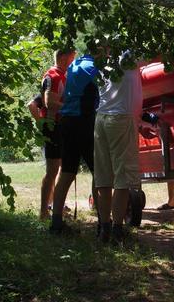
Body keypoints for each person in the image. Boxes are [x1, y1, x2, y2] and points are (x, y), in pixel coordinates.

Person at [95, 50, 146, 243]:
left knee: (104, 177)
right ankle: (117, 230)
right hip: (121, 119)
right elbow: (160, 55)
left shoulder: (102, 61)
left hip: (100, 118)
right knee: (122, 178)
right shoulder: (126, 56)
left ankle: (104, 229)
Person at [49, 52, 99, 234]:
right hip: (84, 122)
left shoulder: (74, 66)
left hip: (67, 122)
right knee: (98, 172)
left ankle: (56, 223)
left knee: (67, 172)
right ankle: (103, 223)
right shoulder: (94, 68)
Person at [37, 50, 74, 221]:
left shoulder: (63, 75)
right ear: (62, 57)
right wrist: (69, 107)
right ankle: (43, 212)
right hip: (53, 126)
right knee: (52, 170)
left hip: (61, 127)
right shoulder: (53, 75)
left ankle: (54, 207)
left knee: (59, 168)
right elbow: (48, 102)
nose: (73, 60)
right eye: (71, 57)